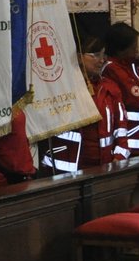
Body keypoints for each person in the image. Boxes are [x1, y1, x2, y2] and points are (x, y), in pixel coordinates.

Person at [44, 34, 113, 172]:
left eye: (103, 55)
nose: (101, 61)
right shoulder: (63, 87)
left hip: (100, 165)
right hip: (65, 167)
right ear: (79, 56)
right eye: (96, 55)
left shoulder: (105, 86)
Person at [101, 22, 139, 160]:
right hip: (128, 141)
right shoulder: (113, 69)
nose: (137, 52)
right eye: (133, 48)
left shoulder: (128, 65)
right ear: (121, 50)